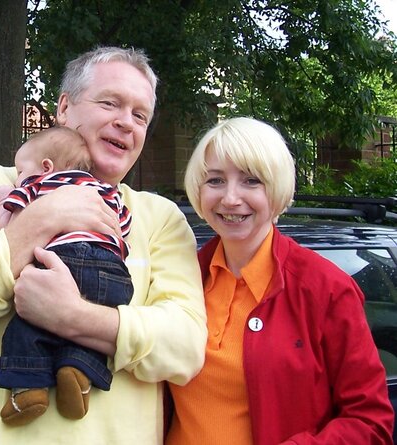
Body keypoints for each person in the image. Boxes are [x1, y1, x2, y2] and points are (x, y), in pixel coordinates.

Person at [0, 46, 207, 445]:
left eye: (140, 116)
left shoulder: (159, 218)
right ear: (64, 108)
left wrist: (73, 317)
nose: (126, 123)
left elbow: (185, 348)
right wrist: (36, 223)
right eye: (110, 103)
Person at [166, 117, 394, 444]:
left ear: (276, 190)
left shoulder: (325, 288)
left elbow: (371, 421)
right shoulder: (182, 276)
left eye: (251, 181)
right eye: (215, 180)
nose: (230, 198)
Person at [0, 125, 134, 425]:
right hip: (114, 272)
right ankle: (79, 374)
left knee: (29, 324)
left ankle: (28, 390)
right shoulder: (109, 192)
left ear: (46, 167)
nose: (18, 177)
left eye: (20, 171)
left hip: (64, 259)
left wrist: (3, 197)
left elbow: (9, 226)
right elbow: (123, 229)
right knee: (94, 322)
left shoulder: (40, 184)